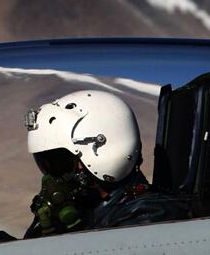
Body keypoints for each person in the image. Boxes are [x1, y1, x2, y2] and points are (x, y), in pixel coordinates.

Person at [22, 90, 187, 238]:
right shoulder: (91, 211)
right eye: (47, 165)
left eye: (59, 164)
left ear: (100, 153)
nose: (53, 179)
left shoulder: (149, 217)